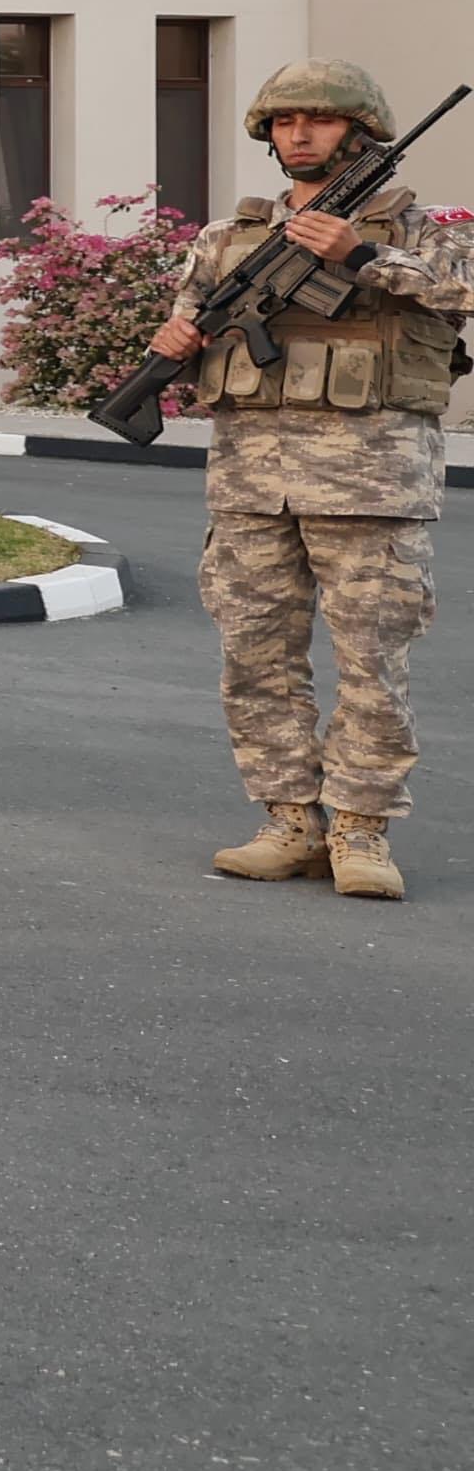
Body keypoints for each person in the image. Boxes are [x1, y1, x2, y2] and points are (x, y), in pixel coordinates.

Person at [163, 59, 472, 901]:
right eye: (285, 121)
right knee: (255, 656)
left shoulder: (426, 229)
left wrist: (363, 255)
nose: (300, 134)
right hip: (251, 482)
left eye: (321, 119)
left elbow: (465, 291)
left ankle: (362, 829)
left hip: (372, 480)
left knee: (373, 660)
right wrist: (177, 342)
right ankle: (290, 820)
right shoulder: (228, 237)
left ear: (362, 132)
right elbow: (191, 325)